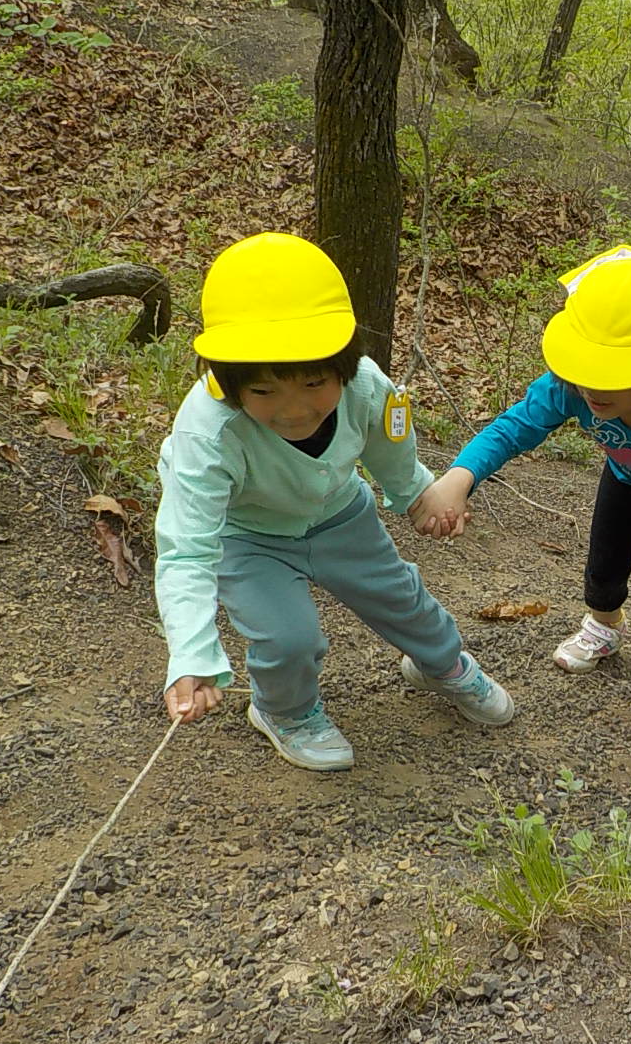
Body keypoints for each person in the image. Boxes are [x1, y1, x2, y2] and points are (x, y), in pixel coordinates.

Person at [155, 232, 515, 771]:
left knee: (401, 597)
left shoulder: (366, 385)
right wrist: (191, 653)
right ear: (228, 382)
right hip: (245, 536)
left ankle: (441, 664)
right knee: (288, 637)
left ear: (344, 363)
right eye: (264, 391)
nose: (294, 410)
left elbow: (390, 444)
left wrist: (414, 493)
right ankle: (286, 712)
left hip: (340, 514)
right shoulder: (207, 432)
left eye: (313, 383)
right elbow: (187, 548)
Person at [420, 246, 631, 755]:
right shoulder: (571, 387)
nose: (592, 389)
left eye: (614, 373)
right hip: (628, 474)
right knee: (603, 572)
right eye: (586, 367)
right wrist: (459, 477)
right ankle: (606, 627)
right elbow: (513, 428)